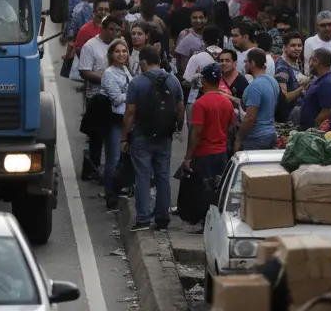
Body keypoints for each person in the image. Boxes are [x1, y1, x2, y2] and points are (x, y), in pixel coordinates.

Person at [121, 45, 185, 231]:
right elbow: (180, 108)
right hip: (165, 135)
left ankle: (143, 219)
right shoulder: (173, 80)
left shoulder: (137, 82)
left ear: (143, 62)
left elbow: (130, 112)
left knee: (142, 176)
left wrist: (124, 138)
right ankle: (162, 218)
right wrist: (177, 128)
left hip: (142, 135)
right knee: (162, 176)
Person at [181, 62, 234, 232]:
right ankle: (213, 222)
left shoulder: (201, 103)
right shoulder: (226, 102)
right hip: (221, 152)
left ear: (203, 80)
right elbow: (231, 127)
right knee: (217, 188)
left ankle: (204, 223)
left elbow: (196, 132)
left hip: (204, 153)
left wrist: (188, 157)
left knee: (203, 189)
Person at [78, 14, 122, 181]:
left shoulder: (119, 46)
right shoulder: (91, 46)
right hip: (96, 98)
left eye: (117, 30)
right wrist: (105, 79)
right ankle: (92, 168)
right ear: (103, 28)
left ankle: (111, 171)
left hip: (115, 98)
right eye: (111, 29)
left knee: (113, 136)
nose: (114, 33)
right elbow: (84, 71)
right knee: (96, 137)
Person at [100, 37, 133, 211]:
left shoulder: (126, 70)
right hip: (114, 120)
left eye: (124, 51)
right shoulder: (109, 73)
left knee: (123, 158)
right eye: (118, 51)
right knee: (113, 159)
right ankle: (110, 197)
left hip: (127, 118)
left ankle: (120, 190)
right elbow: (116, 99)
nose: (122, 54)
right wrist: (132, 92)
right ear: (111, 54)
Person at [235, 49, 279, 150]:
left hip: (256, 137)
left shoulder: (255, 86)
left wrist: (239, 138)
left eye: (246, 62)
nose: (245, 65)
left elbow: (250, 117)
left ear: (253, 63)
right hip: (270, 134)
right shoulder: (273, 81)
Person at [299, 47, 331, 131]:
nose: (310, 64)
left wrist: (313, 129)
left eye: (314, 60)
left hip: (317, 134)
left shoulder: (328, 83)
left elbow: (326, 112)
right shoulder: (320, 79)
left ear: (322, 64)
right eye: (310, 60)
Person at [272, 32, 312, 123]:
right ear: (285, 48)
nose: (297, 48)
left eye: (299, 45)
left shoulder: (296, 61)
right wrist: (302, 88)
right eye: (293, 45)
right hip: (289, 118)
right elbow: (284, 98)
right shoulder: (282, 68)